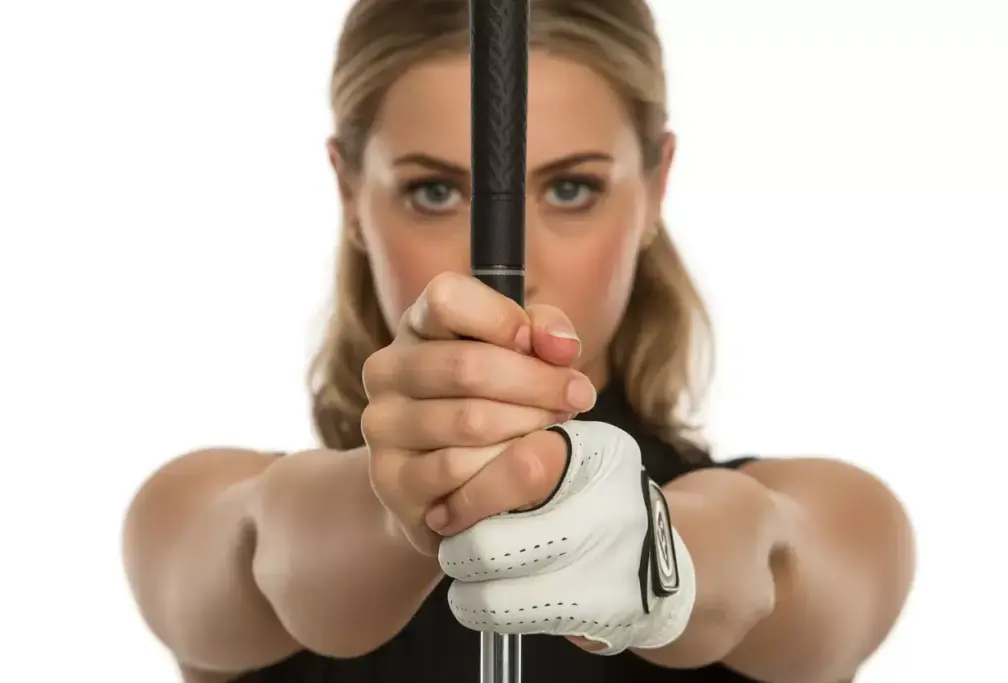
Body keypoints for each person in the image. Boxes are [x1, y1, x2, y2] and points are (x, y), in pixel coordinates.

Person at [121, 1, 916, 682]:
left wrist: (659, 554)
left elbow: (774, 563)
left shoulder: (831, 511)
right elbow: (261, 553)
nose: (509, 268)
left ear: (656, 188)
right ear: (350, 194)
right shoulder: (198, 505)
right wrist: (409, 510)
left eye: (573, 188)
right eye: (434, 191)